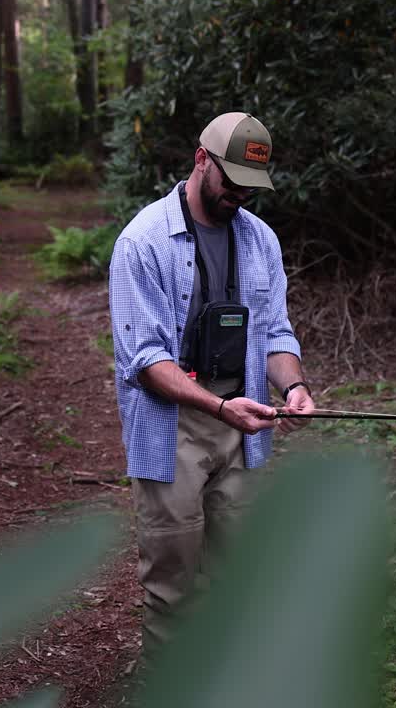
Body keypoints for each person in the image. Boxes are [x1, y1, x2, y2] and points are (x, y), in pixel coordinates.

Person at [108, 112, 316, 651]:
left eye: (252, 187)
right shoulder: (143, 242)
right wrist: (219, 408)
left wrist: (292, 386)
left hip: (243, 428)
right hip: (170, 429)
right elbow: (147, 359)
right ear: (202, 160)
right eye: (233, 183)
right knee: (173, 586)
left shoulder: (260, 240)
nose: (241, 197)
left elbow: (276, 332)